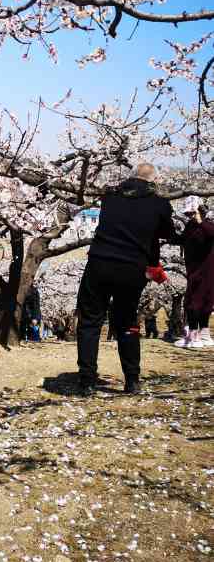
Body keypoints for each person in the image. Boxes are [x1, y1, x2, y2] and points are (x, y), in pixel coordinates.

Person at [75, 162, 178, 396]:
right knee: (127, 322)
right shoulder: (159, 204)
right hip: (132, 269)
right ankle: (132, 380)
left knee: (90, 321)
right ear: (154, 181)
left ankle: (87, 381)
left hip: (100, 263)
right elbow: (167, 233)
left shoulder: (110, 196)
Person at [175, 200, 214, 349]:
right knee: (201, 301)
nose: (189, 216)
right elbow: (182, 239)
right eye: (188, 213)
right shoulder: (191, 227)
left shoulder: (206, 225)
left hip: (204, 270)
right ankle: (203, 334)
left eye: (192, 212)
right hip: (194, 269)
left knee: (194, 302)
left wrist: (199, 220)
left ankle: (193, 336)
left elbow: (211, 233)